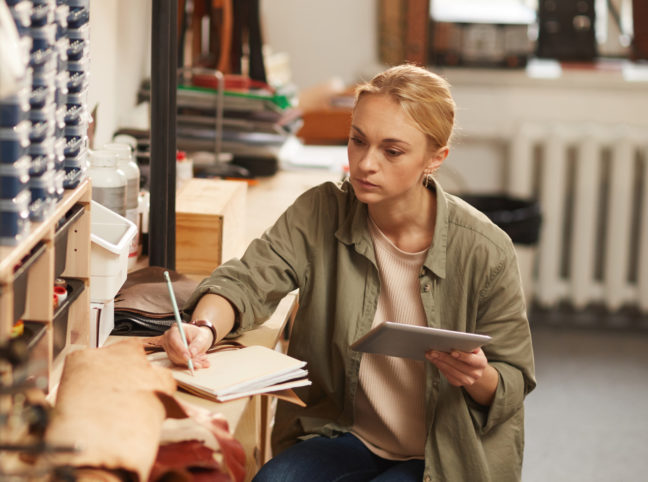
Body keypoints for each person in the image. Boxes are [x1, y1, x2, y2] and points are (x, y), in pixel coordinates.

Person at [161, 64, 536, 482]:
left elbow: (513, 382)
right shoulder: (321, 211)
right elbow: (248, 279)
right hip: (345, 432)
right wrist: (204, 328)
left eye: (391, 151)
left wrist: (477, 376)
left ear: (435, 159)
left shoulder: (486, 249)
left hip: (439, 454)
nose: (365, 163)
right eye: (358, 141)